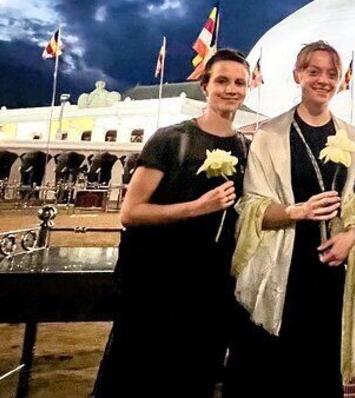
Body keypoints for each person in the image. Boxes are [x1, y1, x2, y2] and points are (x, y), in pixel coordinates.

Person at [93, 49, 251, 397]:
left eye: (240, 83)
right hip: (158, 286)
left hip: (211, 289)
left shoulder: (246, 148)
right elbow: (131, 212)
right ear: (205, 85)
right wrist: (196, 207)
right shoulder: (171, 139)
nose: (231, 89)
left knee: (195, 377)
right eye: (222, 81)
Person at [225, 41, 355, 397]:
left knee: (320, 368)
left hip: (330, 267)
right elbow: (251, 205)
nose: (323, 80)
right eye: (313, 71)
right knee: (274, 368)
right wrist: (297, 211)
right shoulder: (270, 135)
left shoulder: (348, 134)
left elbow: (353, 202)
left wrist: (351, 234)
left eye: (331, 74)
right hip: (284, 266)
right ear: (297, 75)